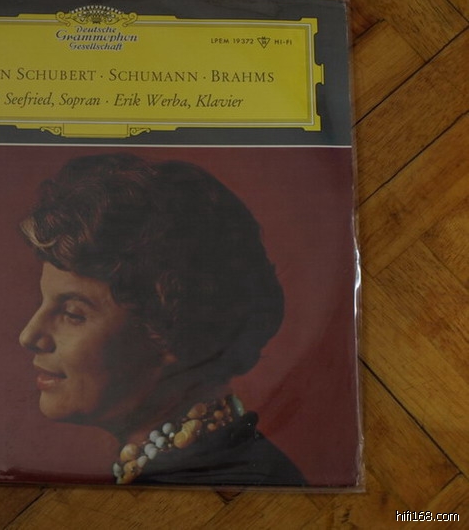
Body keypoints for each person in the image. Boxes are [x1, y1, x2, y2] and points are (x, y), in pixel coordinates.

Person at [18, 153, 304, 486]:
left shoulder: (238, 484)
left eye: (72, 314)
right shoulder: (175, 467)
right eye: (43, 302)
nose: (29, 335)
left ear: (171, 329)